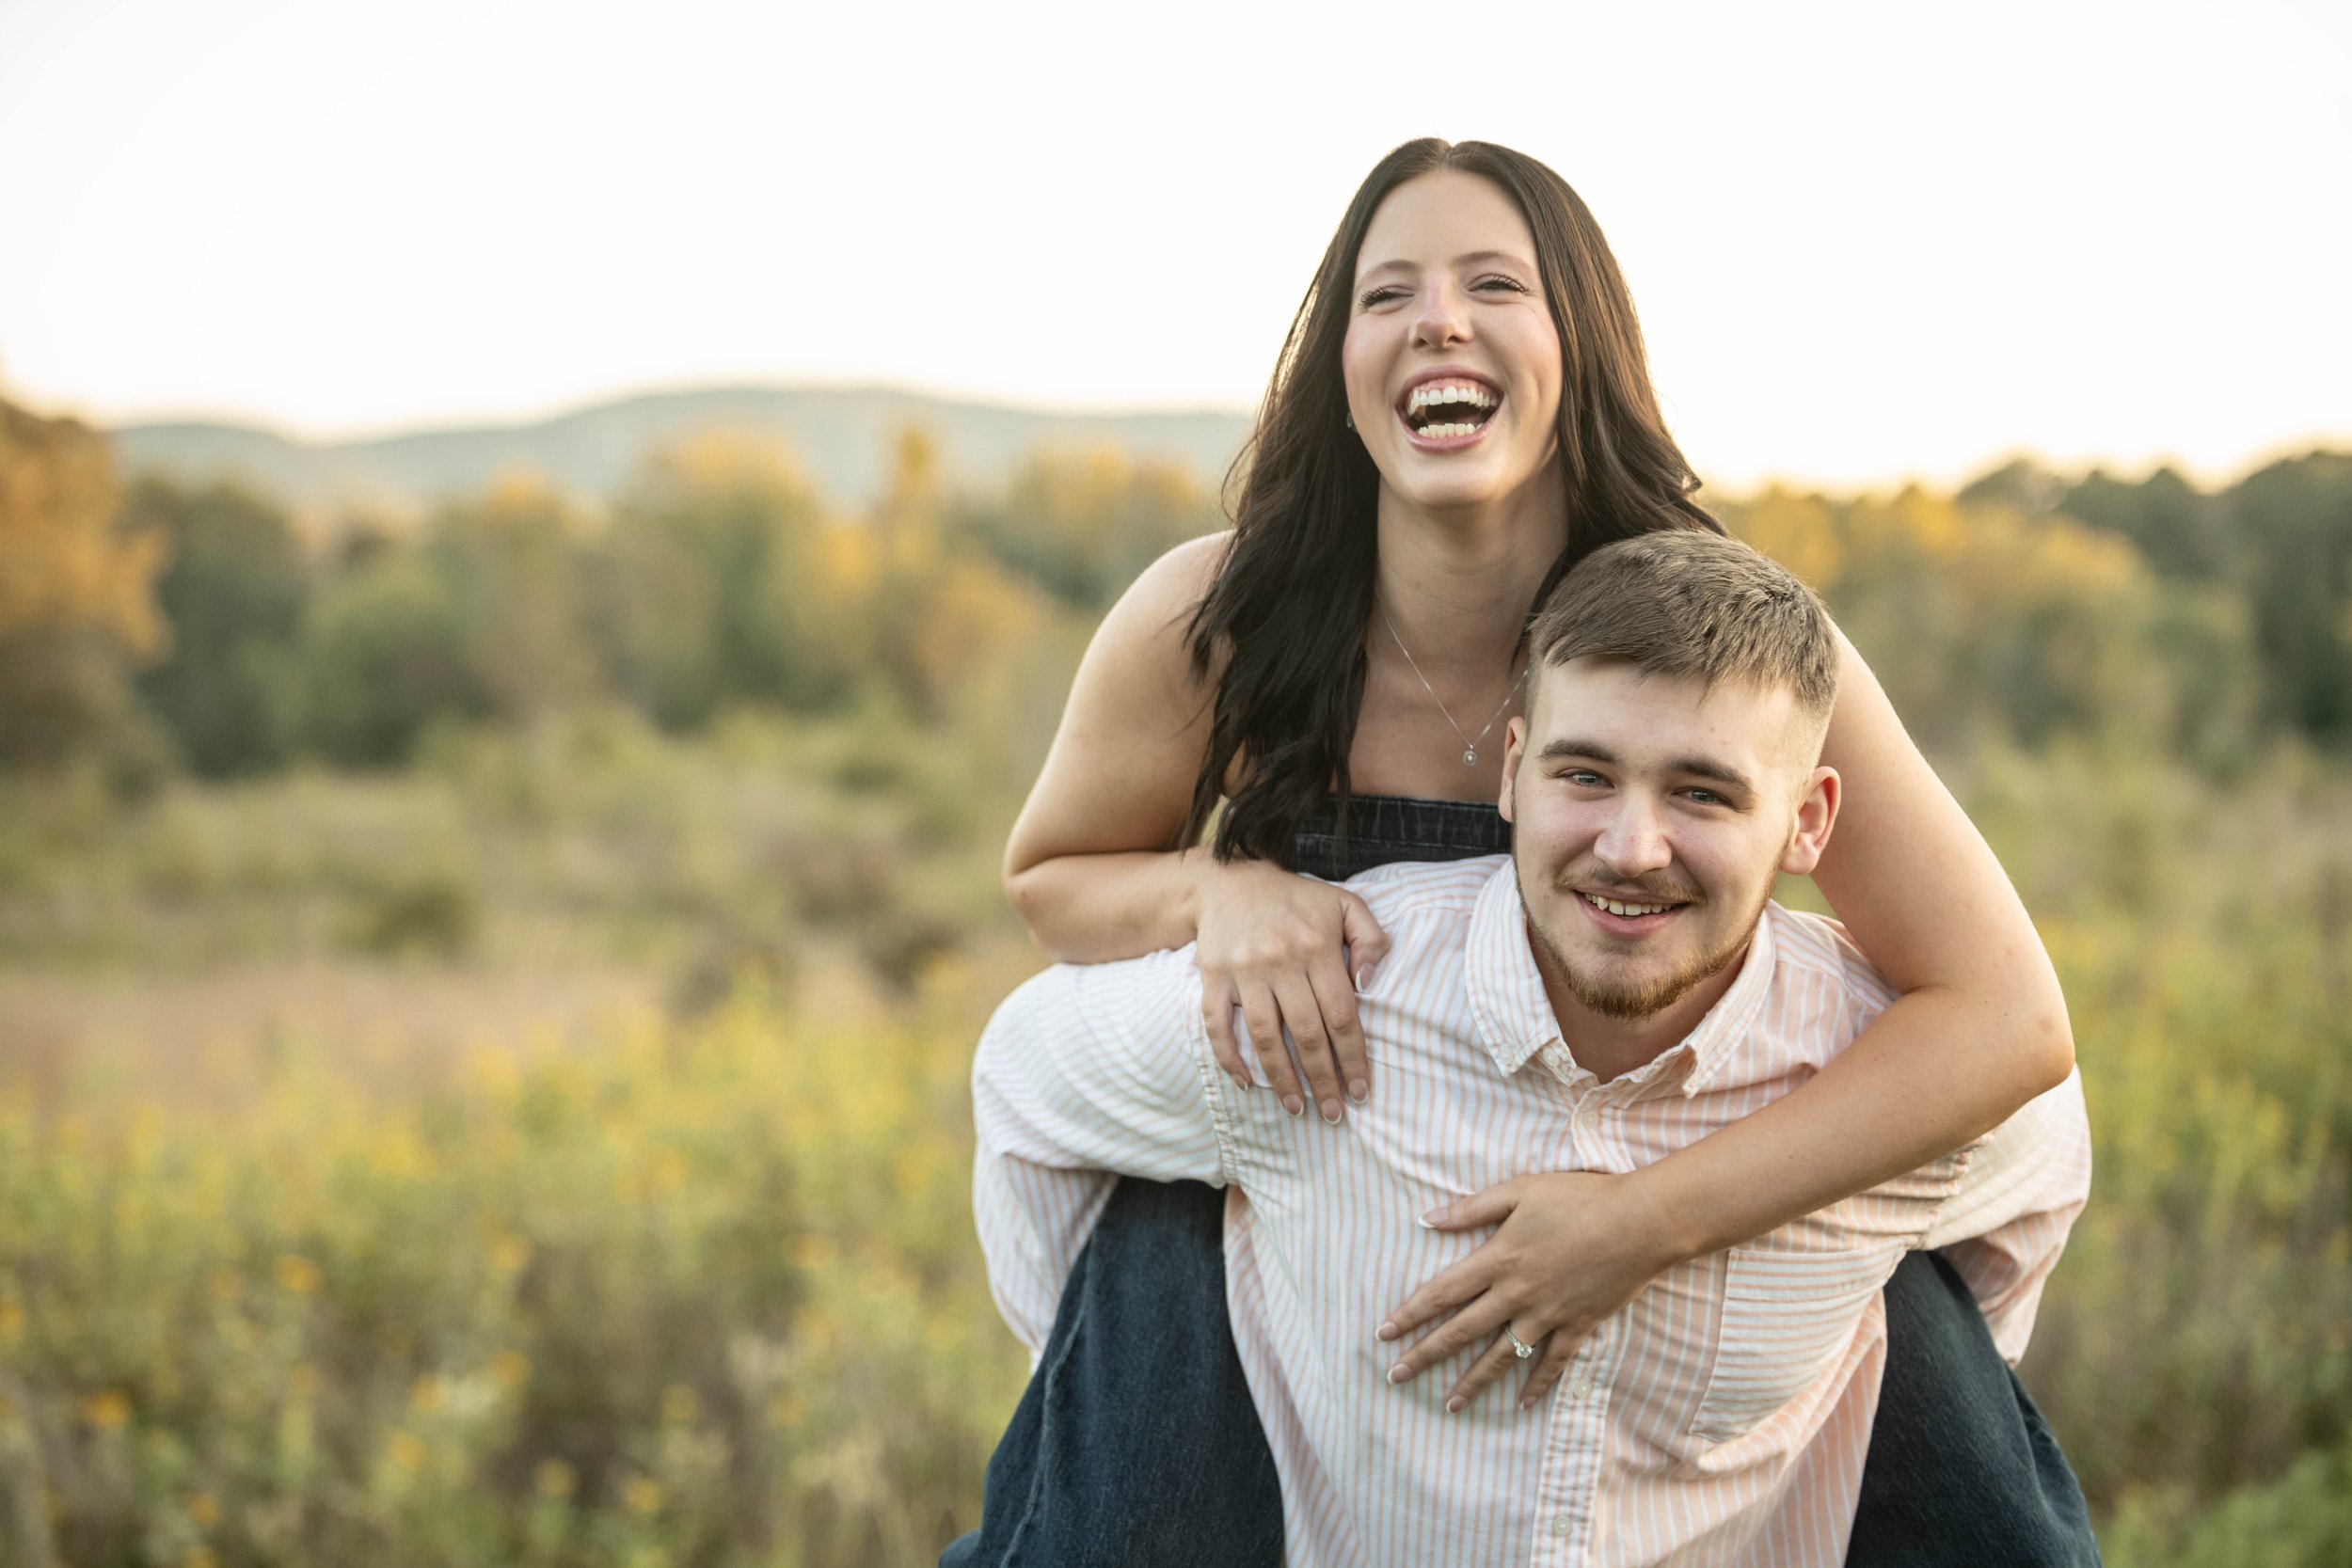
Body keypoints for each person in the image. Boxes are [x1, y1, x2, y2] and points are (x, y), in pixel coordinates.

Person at [950, 138, 2090, 1564]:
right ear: (1342, 359)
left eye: (1496, 282)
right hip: (1301, 1164)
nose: (1439, 320)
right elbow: (1051, 883)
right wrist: (1215, 890)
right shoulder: (1218, 612)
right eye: (1389, 295)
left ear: (1579, 345)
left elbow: (2009, 1018)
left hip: (1687, 1141)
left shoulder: (1729, 633)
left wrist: (1645, 1224)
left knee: (1995, 1535)